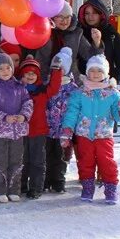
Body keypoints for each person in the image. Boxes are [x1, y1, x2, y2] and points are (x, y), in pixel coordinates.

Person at [60, 55, 120, 204]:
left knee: (107, 162)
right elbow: (72, 113)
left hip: (104, 135)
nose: (95, 74)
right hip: (84, 134)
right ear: (87, 72)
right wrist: (67, 130)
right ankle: (87, 187)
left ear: (105, 73)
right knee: (85, 162)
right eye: (92, 70)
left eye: (99, 70)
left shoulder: (113, 94)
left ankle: (110, 189)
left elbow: (118, 117)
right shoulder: (79, 93)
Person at [0, 49, 33, 203]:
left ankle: (13, 189)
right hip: (0, 132)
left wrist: (23, 116)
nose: (5, 71)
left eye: (8, 67)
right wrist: (4, 117)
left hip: (17, 132)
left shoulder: (19, 87)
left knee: (16, 161)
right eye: (1, 68)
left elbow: (28, 103)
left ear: (12, 69)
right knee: (0, 161)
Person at [17, 54, 61, 200]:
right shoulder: (18, 90)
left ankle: (36, 188)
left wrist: (56, 70)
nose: (30, 76)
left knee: (37, 161)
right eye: (27, 73)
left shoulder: (42, 91)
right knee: (22, 160)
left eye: (33, 73)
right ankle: (21, 185)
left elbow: (54, 88)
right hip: (21, 131)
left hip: (38, 132)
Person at [34, 1, 102, 82]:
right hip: (45, 80)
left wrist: (97, 42)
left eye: (68, 17)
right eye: (60, 17)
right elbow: (37, 57)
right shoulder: (43, 32)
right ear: (52, 17)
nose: (65, 21)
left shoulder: (76, 33)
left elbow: (91, 56)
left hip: (71, 81)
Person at [45, 47, 79, 193]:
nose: (59, 71)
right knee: (46, 155)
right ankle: (45, 180)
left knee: (62, 157)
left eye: (62, 68)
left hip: (64, 130)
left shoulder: (73, 88)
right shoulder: (47, 84)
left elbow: (77, 107)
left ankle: (58, 181)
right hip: (47, 128)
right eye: (56, 68)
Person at [78, 0, 120, 83]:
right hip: (81, 87)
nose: (90, 16)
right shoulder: (79, 34)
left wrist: (113, 80)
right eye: (87, 13)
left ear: (101, 14)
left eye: (94, 13)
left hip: (105, 88)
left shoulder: (112, 36)